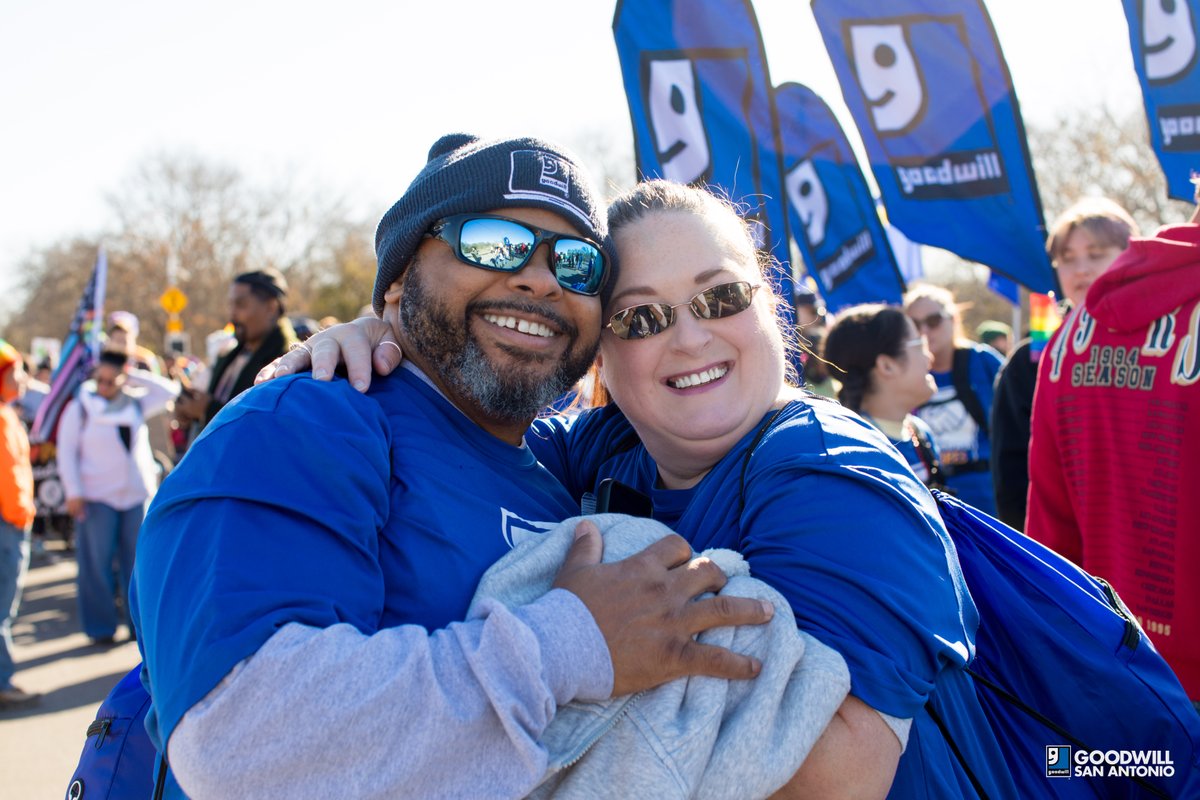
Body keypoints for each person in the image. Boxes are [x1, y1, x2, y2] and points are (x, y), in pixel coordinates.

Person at [280, 180, 1016, 798]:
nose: (690, 338)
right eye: (642, 317)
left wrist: (577, 659)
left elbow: (835, 776)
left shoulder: (832, 476)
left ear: (772, 307)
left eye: (721, 297)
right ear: (599, 356)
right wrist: (384, 340)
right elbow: (453, 425)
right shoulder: (604, 453)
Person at [131, 134, 772, 800]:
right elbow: (240, 741)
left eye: (578, 264)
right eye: (493, 241)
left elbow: (703, 399)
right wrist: (572, 645)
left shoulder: (563, 462)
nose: (540, 278)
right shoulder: (301, 425)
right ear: (401, 276)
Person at [1026, 202, 1200, 704]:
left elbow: (1049, 523)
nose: (1079, 267)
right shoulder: (1055, 340)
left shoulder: (1064, 342)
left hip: (1115, 659)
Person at [990, 198, 1138, 529]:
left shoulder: (1166, 345)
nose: (1081, 268)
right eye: (1066, 258)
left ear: (1132, 253)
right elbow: (1011, 472)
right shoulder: (1030, 363)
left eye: (1096, 254)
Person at [56, 350, 178, 644]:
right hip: (97, 497)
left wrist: (130, 371)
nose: (104, 386)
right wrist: (73, 492)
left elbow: (169, 390)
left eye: (111, 380)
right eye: (100, 379)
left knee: (137, 565)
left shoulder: (135, 402)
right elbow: (66, 451)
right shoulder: (81, 408)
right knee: (96, 565)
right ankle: (100, 628)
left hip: (135, 497)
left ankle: (137, 627)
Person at [903, 284, 1002, 514]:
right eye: (915, 325)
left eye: (934, 320)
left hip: (990, 499)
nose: (925, 331)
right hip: (934, 505)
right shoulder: (902, 374)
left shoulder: (982, 361)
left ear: (953, 319)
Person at [822, 303, 944, 487]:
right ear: (887, 366)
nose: (929, 357)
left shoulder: (919, 433)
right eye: (920, 344)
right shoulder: (851, 451)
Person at [172, 268, 299, 433]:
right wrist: (189, 412)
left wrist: (208, 410)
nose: (232, 314)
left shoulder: (289, 362)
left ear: (271, 308)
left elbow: (270, 428)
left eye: (240, 305)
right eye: (230, 305)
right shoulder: (229, 354)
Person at [0, 340, 38, 709]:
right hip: (6, 523)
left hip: (10, 521)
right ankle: (2, 681)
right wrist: (17, 515)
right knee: (2, 607)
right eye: (16, 371)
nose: (23, 378)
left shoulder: (6, 413)